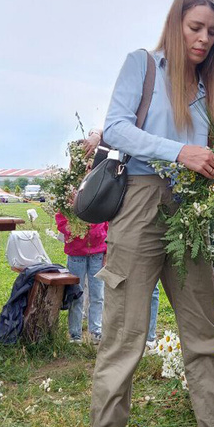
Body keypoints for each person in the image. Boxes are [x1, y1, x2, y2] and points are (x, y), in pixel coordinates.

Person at [85, 0, 214, 427]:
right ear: (176, 24)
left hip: (190, 208)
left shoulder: (206, 87)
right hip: (141, 199)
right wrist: (182, 152)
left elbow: (206, 152)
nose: (203, 38)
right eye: (196, 27)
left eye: (212, 32)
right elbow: (117, 128)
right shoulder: (144, 64)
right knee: (126, 329)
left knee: (202, 326)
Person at [82, 128, 160, 350]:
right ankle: (122, 340)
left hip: (145, 204)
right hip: (128, 210)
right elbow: (113, 124)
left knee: (148, 286)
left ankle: (148, 336)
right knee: (120, 281)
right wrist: (99, 135)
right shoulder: (117, 133)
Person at [55, 212, 106, 344]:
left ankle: (96, 331)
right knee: (76, 295)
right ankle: (75, 334)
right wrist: (76, 228)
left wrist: (106, 249)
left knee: (98, 294)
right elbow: (61, 222)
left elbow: (107, 222)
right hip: (76, 254)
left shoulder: (100, 198)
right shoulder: (69, 198)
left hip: (98, 253)